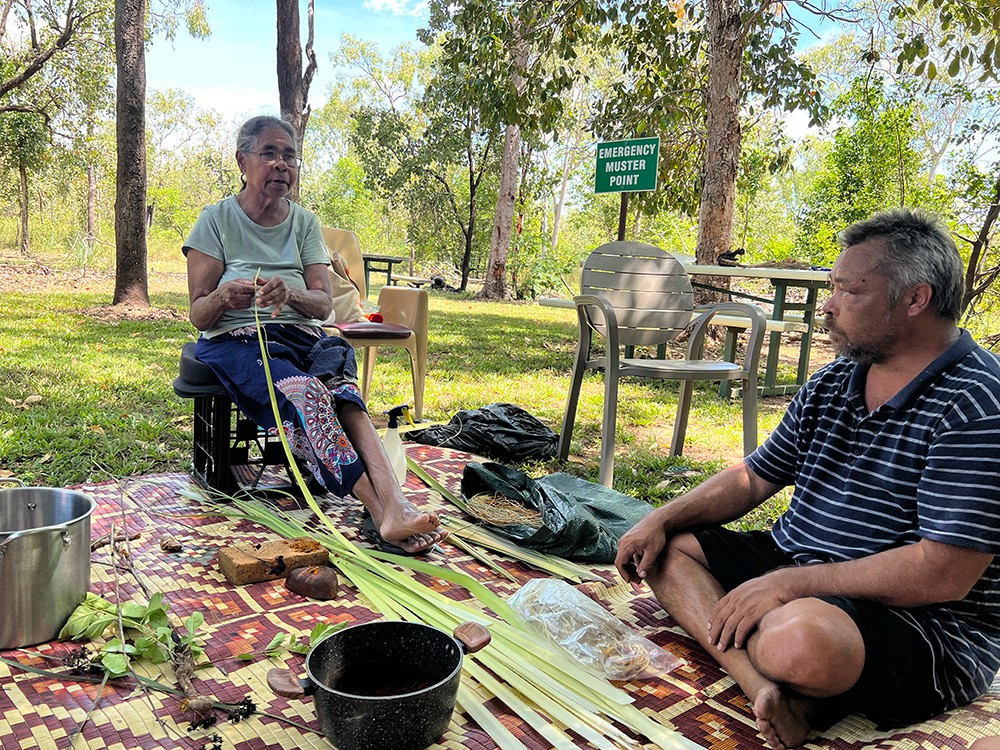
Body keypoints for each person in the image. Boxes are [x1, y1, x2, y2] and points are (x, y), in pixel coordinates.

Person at [615, 208, 1000, 749]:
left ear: (916, 299)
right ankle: (763, 689)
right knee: (667, 551)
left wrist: (788, 585)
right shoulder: (835, 379)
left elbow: (942, 574)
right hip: (802, 566)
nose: (830, 305)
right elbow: (755, 476)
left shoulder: (977, 404)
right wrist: (661, 516)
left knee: (799, 640)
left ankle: (790, 670)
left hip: (925, 622)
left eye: (850, 291)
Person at [183, 115, 445, 555]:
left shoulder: (304, 223)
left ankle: (394, 503)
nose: (281, 164)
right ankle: (380, 511)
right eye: (269, 153)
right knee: (306, 393)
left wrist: (292, 295)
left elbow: (324, 304)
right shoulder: (216, 221)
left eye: (289, 155)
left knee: (343, 391)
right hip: (238, 340)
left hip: (303, 335)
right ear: (242, 161)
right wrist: (226, 295)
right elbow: (199, 314)